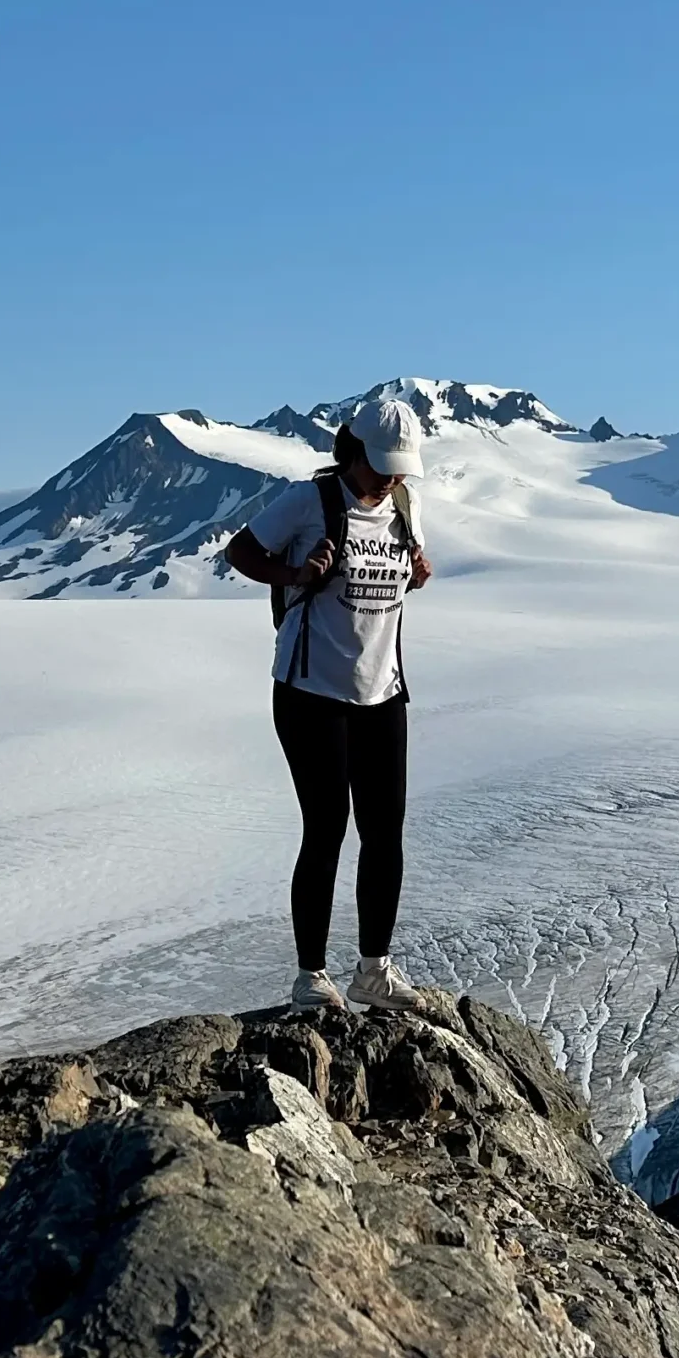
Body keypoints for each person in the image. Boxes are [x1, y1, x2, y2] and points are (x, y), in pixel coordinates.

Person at [224, 393, 434, 1014]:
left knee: (385, 834)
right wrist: (293, 577)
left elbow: (398, 577)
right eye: (382, 463)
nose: (392, 476)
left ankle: (375, 970)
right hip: (310, 692)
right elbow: (241, 552)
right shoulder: (308, 501)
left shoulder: (404, 504)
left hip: (382, 691)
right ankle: (310, 976)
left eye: (401, 465)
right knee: (325, 831)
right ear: (354, 452)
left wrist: (418, 570)